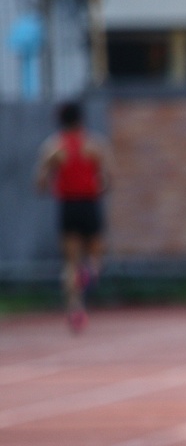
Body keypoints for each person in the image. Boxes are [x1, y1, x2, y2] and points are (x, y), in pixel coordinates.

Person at [34, 101, 110, 333]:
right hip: (89, 204)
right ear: (81, 119)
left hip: (68, 206)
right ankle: (91, 272)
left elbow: (40, 183)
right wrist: (97, 188)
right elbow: (109, 178)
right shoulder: (94, 145)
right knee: (95, 256)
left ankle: (75, 309)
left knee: (70, 262)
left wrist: (55, 186)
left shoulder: (53, 148)